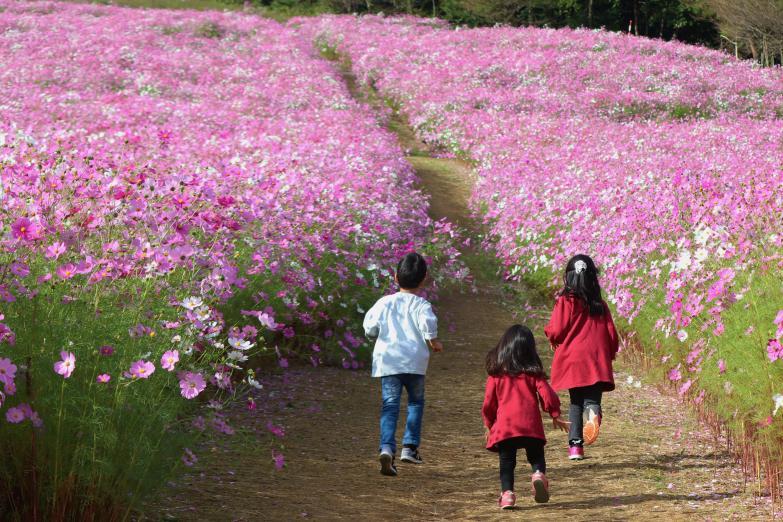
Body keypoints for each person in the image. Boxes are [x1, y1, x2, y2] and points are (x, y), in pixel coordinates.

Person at [363, 252, 444, 476]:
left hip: (388, 361)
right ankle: (409, 448)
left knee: (390, 405)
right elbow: (427, 324)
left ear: (395, 278)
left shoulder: (384, 303)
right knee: (415, 403)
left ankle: (387, 448)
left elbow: (370, 328)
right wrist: (433, 341)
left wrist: (379, 334)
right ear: (424, 279)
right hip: (415, 362)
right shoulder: (421, 305)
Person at [481, 324, 569, 509]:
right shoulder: (533, 374)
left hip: (506, 428)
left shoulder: (496, 376)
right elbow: (547, 394)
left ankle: (507, 495)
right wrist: (554, 414)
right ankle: (538, 474)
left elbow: (489, 403)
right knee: (536, 456)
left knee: (506, 463)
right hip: (531, 427)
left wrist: (488, 424)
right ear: (530, 350)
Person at [544, 254, 619, 461]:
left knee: (575, 401)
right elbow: (612, 335)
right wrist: (610, 353)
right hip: (596, 358)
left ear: (568, 277)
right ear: (593, 278)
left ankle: (575, 448)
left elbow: (557, 329)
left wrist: (551, 336)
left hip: (572, 359)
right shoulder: (599, 305)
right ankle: (593, 412)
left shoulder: (566, 301)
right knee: (591, 398)